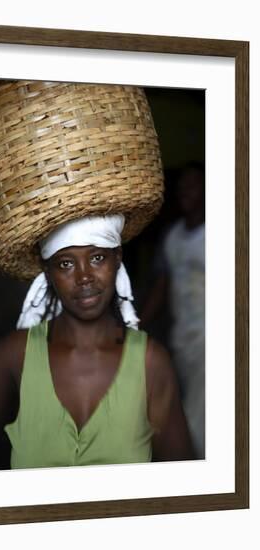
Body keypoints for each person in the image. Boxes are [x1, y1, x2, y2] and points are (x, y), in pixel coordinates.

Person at [0, 215, 194, 469]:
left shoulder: (150, 363)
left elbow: (187, 484)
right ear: (48, 272)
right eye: (66, 264)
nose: (84, 276)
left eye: (97, 258)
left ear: (117, 258)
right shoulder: (17, 355)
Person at [140, 163, 205, 459]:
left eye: (193, 186)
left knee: (200, 411)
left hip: (214, 338)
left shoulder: (227, 231)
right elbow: (162, 287)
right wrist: (136, 323)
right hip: (183, 338)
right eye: (181, 188)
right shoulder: (173, 237)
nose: (186, 193)